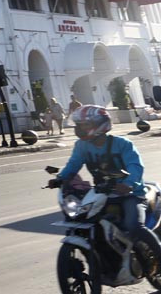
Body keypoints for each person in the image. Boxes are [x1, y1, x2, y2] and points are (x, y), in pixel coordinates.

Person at [49, 104, 161, 255]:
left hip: (130, 194)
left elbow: (135, 167)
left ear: (99, 125)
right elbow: (73, 165)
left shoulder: (122, 144)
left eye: (85, 125)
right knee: (81, 222)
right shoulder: (82, 145)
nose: (79, 128)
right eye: (78, 125)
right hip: (102, 193)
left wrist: (129, 184)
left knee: (134, 226)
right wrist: (60, 178)